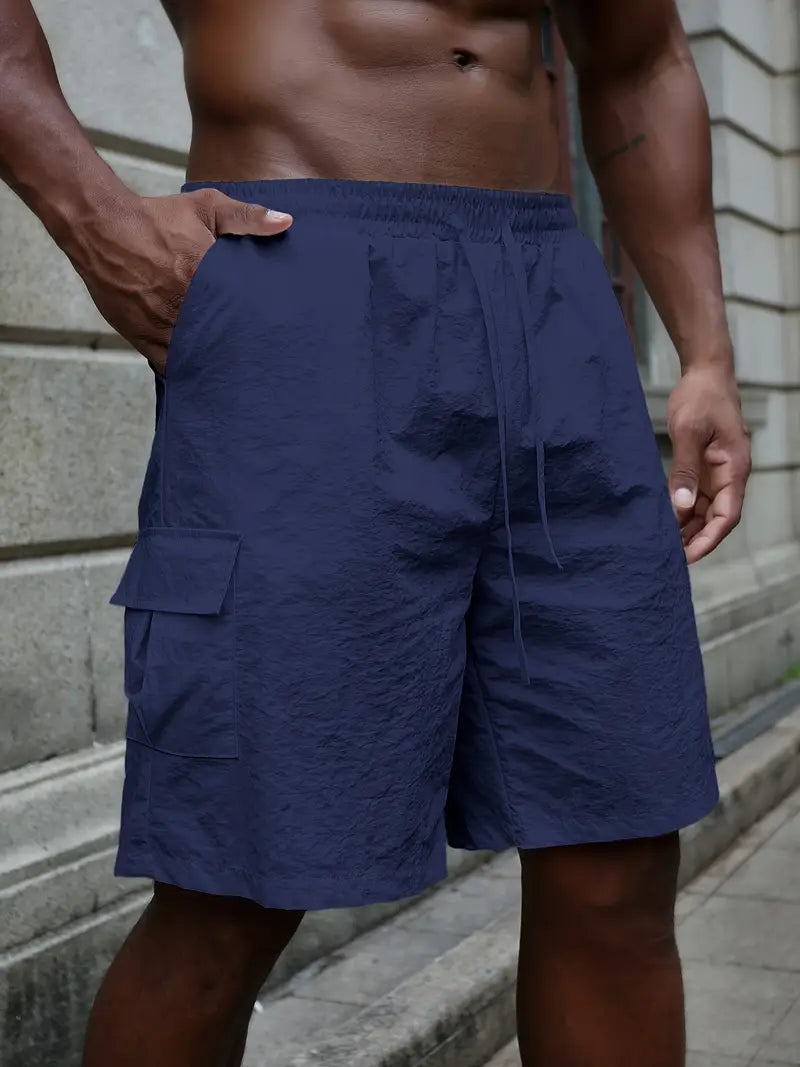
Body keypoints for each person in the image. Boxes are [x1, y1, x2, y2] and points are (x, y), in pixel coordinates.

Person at [0, 1, 751, 1065]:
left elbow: (641, 58)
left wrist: (705, 350)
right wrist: (95, 218)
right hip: (297, 279)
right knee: (238, 880)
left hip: (554, 310)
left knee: (615, 851)